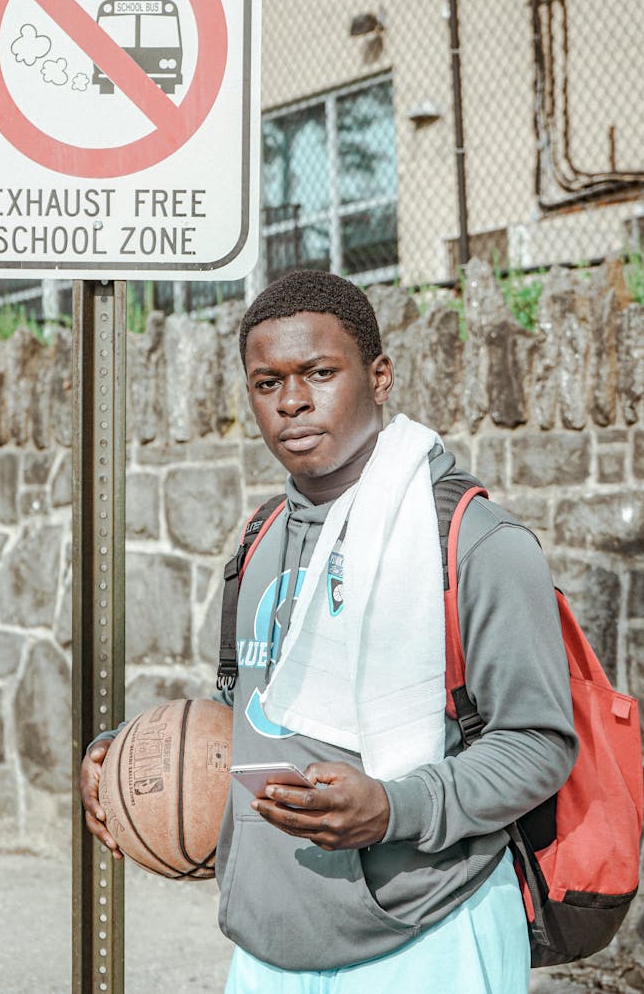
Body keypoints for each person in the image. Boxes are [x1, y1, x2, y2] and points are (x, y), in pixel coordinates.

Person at [80, 269, 577, 993]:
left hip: (427, 927)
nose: (292, 401)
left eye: (319, 372)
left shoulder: (474, 540)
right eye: (266, 382)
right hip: (267, 939)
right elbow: (246, 719)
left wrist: (393, 807)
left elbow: (539, 742)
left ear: (379, 376)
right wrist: (122, 756)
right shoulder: (260, 536)